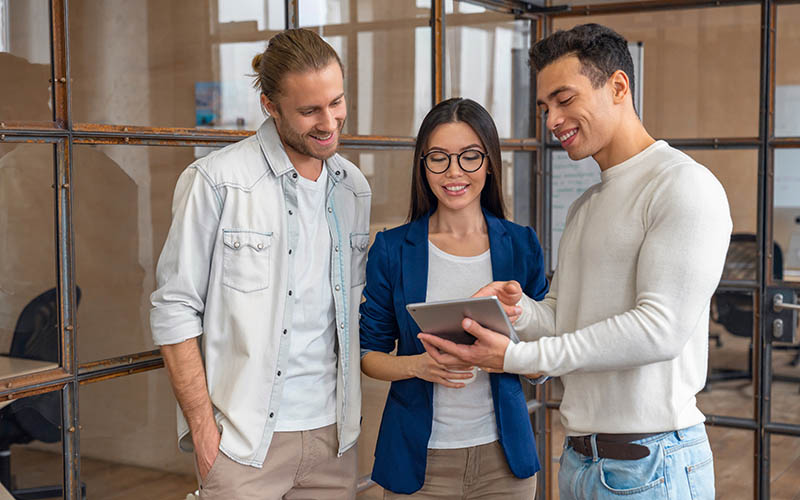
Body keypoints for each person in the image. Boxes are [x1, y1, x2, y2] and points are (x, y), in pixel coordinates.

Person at [418, 24, 731, 500]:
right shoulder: (585, 205)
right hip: (581, 460)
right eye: (544, 107)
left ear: (619, 86)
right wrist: (522, 309)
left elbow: (659, 329)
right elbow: (564, 317)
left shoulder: (683, 186)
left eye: (564, 99)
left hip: (653, 464)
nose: (552, 120)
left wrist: (516, 356)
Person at [150, 29, 371, 499]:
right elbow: (173, 309)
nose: (329, 122)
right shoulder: (217, 181)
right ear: (270, 106)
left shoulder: (353, 187)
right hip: (244, 446)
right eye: (310, 110)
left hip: (334, 439)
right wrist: (205, 435)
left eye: (337, 101)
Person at [360, 97, 548, 499]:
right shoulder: (392, 250)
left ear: (490, 162)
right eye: (439, 158)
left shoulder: (521, 245)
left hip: (504, 464)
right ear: (422, 164)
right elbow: (368, 356)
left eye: (470, 157)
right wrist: (418, 366)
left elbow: (543, 359)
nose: (454, 172)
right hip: (419, 463)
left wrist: (516, 347)